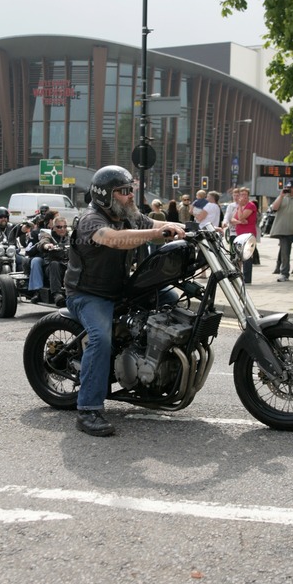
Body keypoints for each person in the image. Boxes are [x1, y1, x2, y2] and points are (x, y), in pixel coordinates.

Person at [64, 165, 186, 437]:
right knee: (100, 338)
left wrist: (180, 227)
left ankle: (154, 371)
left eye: (130, 190)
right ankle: (88, 409)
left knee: (169, 299)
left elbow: (153, 224)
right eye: (123, 191)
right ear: (105, 195)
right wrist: (158, 233)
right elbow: (115, 240)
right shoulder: (91, 220)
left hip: (119, 288)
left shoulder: (127, 215)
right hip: (87, 294)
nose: (130, 196)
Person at [28, 216, 70, 306]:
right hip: (51, 267)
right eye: (59, 227)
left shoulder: (70, 238)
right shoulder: (48, 236)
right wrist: (47, 246)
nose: (62, 229)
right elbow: (42, 242)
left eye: (65, 227)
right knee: (54, 264)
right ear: (53, 227)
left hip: (67, 265)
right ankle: (57, 295)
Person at [231, 187, 258, 284]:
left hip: (248, 234)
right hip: (240, 234)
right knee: (238, 256)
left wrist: (240, 217)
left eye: (245, 195)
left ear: (248, 196)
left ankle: (247, 279)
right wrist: (239, 221)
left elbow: (242, 216)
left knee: (247, 256)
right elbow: (233, 220)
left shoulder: (251, 205)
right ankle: (238, 276)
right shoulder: (240, 207)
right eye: (241, 195)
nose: (243, 197)